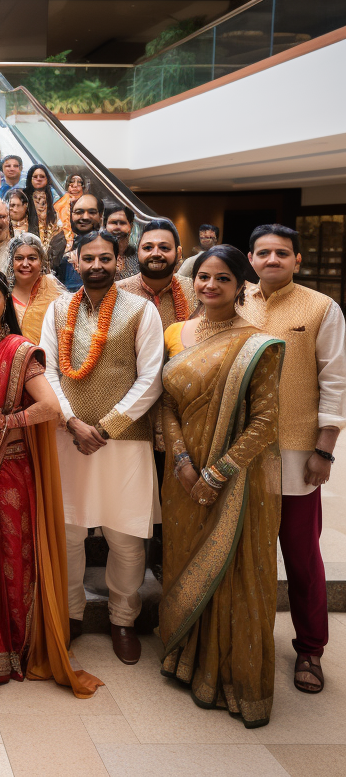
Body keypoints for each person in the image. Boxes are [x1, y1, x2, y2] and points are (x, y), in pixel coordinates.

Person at [0, 269, 101, 695]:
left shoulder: (19, 352)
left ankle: (10, 644)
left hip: (11, 466)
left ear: (5, 303)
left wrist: (5, 423)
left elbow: (49, 407)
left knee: (9, 553)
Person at [159, 245, 285, 726]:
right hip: (181, 472)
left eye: (222, 279)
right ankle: (185, 657)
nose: (209, 286)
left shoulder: (259, 342)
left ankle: (226, 675)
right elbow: (166, 403)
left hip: (233, 480)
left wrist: (216, 473)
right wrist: (185, 461)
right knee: (185, 559)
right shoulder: (177, 332)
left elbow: (267, 420)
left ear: (241, 286)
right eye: (202, 277)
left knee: (231, 572)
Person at [41, 230, 163, 665]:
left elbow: (151, 378)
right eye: (88, 257)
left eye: (104, 258)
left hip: (124, 443)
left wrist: (106, 427)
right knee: (70, 535)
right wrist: (73, 422)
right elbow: (48, 371)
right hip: (69, 438)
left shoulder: (142, 311)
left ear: (120, 260)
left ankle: (122, 619)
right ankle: (72, 615)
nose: (96, 265)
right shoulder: (58, 309)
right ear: (74, 260)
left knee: (126, 538)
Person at [240, 224, 345, 694]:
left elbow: (336, 382)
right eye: (264, 253)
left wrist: (325, 448)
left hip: (297, 450)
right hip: (239, 449)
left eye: (283, 253)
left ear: (298, 261)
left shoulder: (322, 308)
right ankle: (247, 637)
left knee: (300, 555)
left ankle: (310, 648)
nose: (273, 260)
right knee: (244, 550)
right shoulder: (235, 300)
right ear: (250, 258)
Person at [6, 233, 66, 344]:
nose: (25, 264)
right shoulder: (4, 295)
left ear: (41, 262)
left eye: (32, 258)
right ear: (11, 263)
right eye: (19, 258)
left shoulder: (52, 289)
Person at [55, 194, 103, 292]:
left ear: (100, 215)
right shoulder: (59, 243)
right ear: (71, 214)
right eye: (79, 212)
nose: (85, 217)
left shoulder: (109, 245)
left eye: (91, 212)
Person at [104, 204, 139, 281]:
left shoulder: (139, 257)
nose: (118, 227)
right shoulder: (96, 256)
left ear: (131, 226)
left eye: (122, 223)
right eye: (113, 223)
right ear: (105, 226)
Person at [53, 173, 85, 245]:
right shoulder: (59, 206)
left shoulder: (89, 204)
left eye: (79, 183)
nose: (75, 186)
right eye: (71, 182)